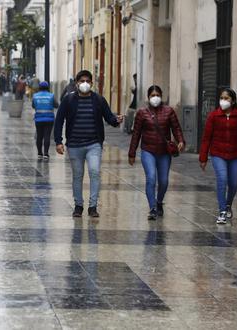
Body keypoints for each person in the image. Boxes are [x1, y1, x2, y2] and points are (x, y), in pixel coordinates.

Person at [54, 70, 124, 218]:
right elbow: (59, 120)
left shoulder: (98, 100)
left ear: (92, 83)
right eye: (81, 81)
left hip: (94, 144)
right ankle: (78, 205)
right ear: (77, 83)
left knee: (94, 172)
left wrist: (116, 120)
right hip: (74, 145)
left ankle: (93, 206)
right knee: (77, 176)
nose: (84, 83)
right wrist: (58, 142)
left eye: (87, 81)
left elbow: (108, 117)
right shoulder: (68, 100)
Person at [128, 85, 185, 221]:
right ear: (148, 98)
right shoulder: (142, 113)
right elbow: (136, 134)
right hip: (148, 151)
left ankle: (159, 201)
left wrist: (180, 140)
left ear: (161, 96)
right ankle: (152, 207)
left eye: (157, 95)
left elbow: (176, 128)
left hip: (164, 152)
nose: (155, 98)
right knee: (151, 178)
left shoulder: (169, 111)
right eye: (152, 96)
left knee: (164, 181)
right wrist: (132, 152)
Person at [199, 88, 237, 224]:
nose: (223, 101)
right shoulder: (214, 116)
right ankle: (222, 211)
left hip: (235, 155)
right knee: (222, 179)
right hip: (218, 154)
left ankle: (228, 204)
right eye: (221, 98)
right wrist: (203, 157)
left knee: (234, 183)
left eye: (226, 98)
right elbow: (206, 138)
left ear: (233, 101)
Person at [32, 81, 59, 161]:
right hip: (49, 119)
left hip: (38, 119)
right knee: (47, 136)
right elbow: (56, 105)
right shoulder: (51, 96)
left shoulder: (35, 96)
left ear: (39, 88)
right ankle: (46, 154)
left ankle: (40, 153)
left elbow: (33, 106)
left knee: (39, 136)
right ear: (48, 87)